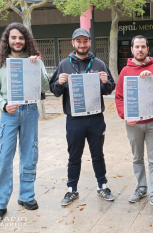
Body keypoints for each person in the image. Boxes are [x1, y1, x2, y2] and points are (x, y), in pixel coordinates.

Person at [0, 23, 50, 224]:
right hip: (9, 113)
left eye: (21, 38)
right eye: (13, 37)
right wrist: (4, 105)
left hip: (30, 111)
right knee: (4, 157)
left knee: (30, 154)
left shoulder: (35, 61)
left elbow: (46, 86)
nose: (17, 41)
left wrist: (37, 66)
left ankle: (26, 196)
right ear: (8, 39)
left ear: (26, 40)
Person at [49, 28, 116, 206]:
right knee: (74, 156)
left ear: (89, 43)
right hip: (74, 119)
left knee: (97, 154)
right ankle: (72, 189)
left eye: (85, 41)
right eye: (78, 41)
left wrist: (105, 82)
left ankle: (102, 185)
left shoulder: (99, 64)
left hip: (95, 119)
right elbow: (54, 91)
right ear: (73, 43)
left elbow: (110, 89)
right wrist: (59, 83)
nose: (82, 44)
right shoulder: (64, 64)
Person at [115, 35, 153, 212]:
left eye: (143, 47)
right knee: (137, 158)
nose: (140, 50)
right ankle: (141, 188)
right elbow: (119, 97)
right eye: (137, 47)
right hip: (133, 123)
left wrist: (152, 80)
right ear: (131, 50)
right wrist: (125, 115)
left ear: (147, 49)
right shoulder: (125, 71)